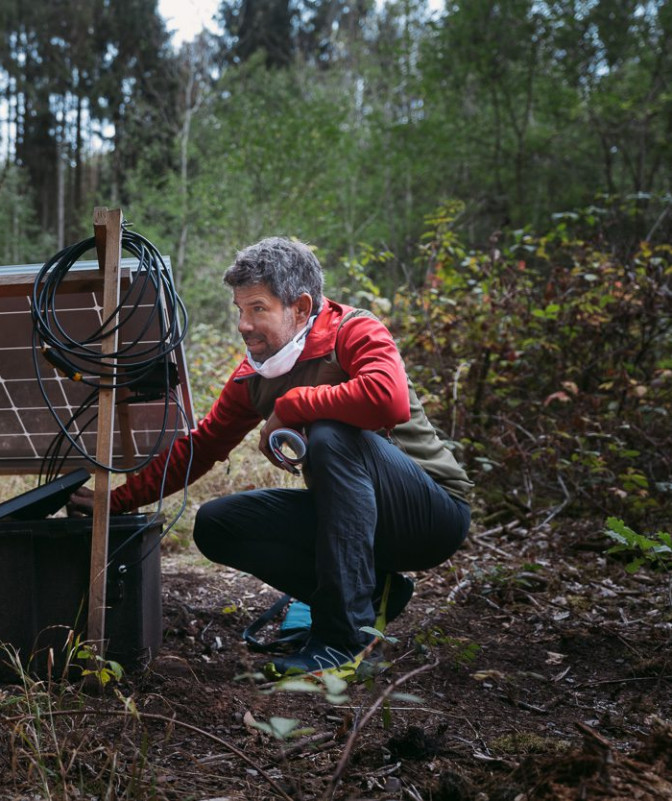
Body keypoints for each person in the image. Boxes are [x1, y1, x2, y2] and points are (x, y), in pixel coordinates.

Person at [72, 237, 472, 674]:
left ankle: (344, 641)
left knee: (330, 433)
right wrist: (116, 500)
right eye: (239, 310)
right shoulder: (255, 375)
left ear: (300, 307)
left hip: (430, 513)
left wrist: (292, 405)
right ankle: (373, 592)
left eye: (257, 309)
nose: (243, 325)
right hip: (357, 526)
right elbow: (201, 447)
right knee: (217, 524)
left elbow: (386, 401)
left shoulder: (353, 330)